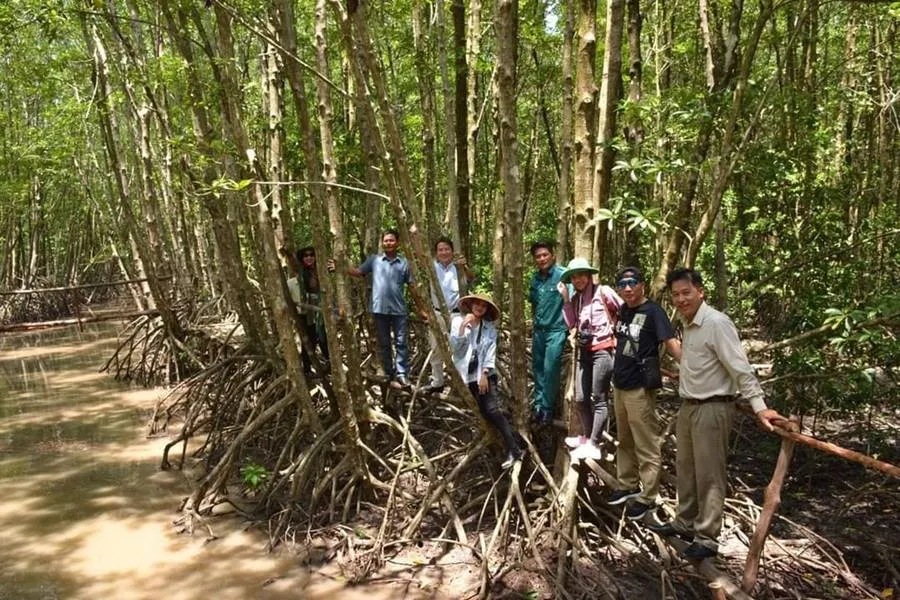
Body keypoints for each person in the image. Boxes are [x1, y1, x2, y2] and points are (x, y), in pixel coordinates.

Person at [650, 268, 784, 560]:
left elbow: (740, 368)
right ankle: (685, 523)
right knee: (686, 467)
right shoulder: (688, 323)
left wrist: (760, 407)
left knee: (709, 474)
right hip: (688, 406)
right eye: (675, 295)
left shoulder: (717, 323)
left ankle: (707, 537)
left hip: (713, 408)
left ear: (701, 291)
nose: (681, 299)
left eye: (686, 292)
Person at [608, 266, 682, 522]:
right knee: (624, 439)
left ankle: (648, 496)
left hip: (640, 388)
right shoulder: (624, 310)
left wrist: (693, 370)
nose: (627, 289)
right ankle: (626, 484)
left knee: (646, 443)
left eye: (632, 283)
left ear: (642, 285)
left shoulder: (653, 311)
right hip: (620, 384)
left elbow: (671, 343)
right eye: (622, 284)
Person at [556, 258, 623, 461]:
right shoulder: (575, 299)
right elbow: (571, 323)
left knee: (598, 398)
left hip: (603, 350)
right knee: (580, 398)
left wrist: (619, 335)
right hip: (584, 352)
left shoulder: (604, 291)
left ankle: (594, 444)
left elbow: (623, 310)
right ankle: (585, 438)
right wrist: (566, 299)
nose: (578, 279)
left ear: (589, 275)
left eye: (581, 275)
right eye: (574, 276)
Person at [450, 294, 524, 469]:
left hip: (484, 375)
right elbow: (455, 350)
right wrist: (462, 327)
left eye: (484, 306)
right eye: (477, 304)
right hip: (466, 376)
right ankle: (518, 442)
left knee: (492, 410)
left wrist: (484, 374)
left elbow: (490, 352)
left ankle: (514, 450)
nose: (480, 307)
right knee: (485, 414)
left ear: (486, 310)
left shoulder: (489, 328)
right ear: (471, 305)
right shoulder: (457, 321)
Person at [332, 229, 412, 387]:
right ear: (382, 243)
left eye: (391, 240)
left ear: (398, 243)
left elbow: (413, 286)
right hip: (379, 309)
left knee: (402, 342)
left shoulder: (404, 263)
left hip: (399, 310)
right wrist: (339, 266)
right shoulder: (374, 260)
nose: (388, 243)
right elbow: (357, 272)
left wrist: (423, 310)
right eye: (386, 240)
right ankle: (390, 373)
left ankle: (402, 374)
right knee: (385, 343)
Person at [421, 236, 473, 393]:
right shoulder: (431, 266)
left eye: (446, 249)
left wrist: (464, 267)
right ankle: (437, 382)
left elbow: (471, 279)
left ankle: (463, 384)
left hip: (457, 315)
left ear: (452, 251)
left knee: (460, 348)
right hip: (436, 314)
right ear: (436, 253)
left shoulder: (458, 267)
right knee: (435, 349)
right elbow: (418, 254)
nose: (444, 252)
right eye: (440, 250)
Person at [528, 241, 569, 425]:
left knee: (550, 369)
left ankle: (547, 409)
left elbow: (572, 301)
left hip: (557, 330)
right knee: (537, 368)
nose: (542, 259)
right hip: (539, 330)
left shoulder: (563, 275)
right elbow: (534, 304)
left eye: (545, 255)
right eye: (538, 256)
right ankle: (537, 406)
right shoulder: (535, 279)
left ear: (552, 255)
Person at [287, 246, 329, 373]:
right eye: (306, 256)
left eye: (312, 255)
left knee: (324, 339)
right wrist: (287, 253)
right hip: (305, 313)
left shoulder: (320, 271)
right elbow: (294, 264)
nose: (309, 258)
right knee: (308, 341)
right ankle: (307, 369)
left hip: (321, 311)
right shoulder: (300, 273)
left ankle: (330, 365)